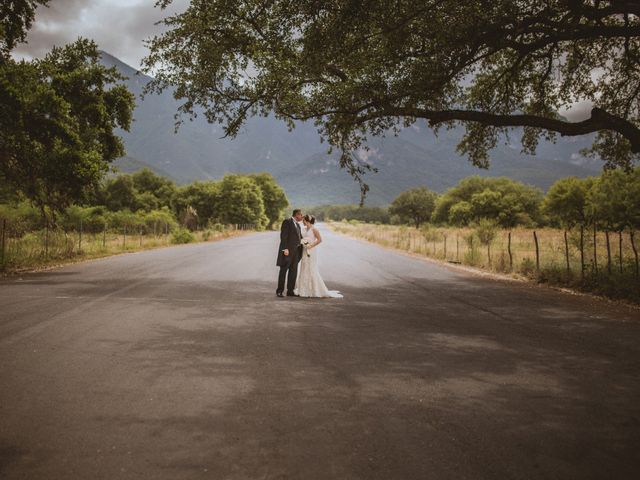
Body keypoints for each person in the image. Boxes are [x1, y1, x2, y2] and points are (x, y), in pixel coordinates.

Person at [294, 215, 343, 298]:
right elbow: (301, 238)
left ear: (307, 221)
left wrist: (311, 245)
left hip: (311, 250)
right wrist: (303, 243)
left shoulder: (314, 229)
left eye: (304, 221)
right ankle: (303, 289)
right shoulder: (304, 229)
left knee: (311, 268)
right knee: (304, 267)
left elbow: (320, 240)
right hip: (305, 251)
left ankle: (313, 289)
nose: (303, 222)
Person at [276, 209, 304, 297]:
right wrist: (285, 249)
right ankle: (279, 291)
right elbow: (283, 236)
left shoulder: (298, 226)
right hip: (287, 252)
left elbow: (299, 238)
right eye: (301, 215)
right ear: (297, 215)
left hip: (296, 253)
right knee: (283, 271)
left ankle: (290, 291)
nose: (302, 217)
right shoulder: (287, 222)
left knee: (293, 271)